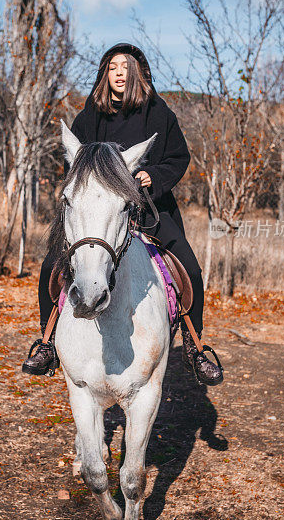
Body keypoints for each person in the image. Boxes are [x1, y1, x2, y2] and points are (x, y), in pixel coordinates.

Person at [22, 42, 223, 386]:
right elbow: (73, 161)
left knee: (189, 266)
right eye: (113, 66)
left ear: (137, 73)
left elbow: (178, 158)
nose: (119, 72)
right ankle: (47, 341)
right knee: (50, 267)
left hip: (150, 208)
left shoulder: (160, 113)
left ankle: (195, 344)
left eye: (125, 67)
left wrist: (152, 177)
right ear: (105, 73)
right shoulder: (90, 115)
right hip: (98, 213)